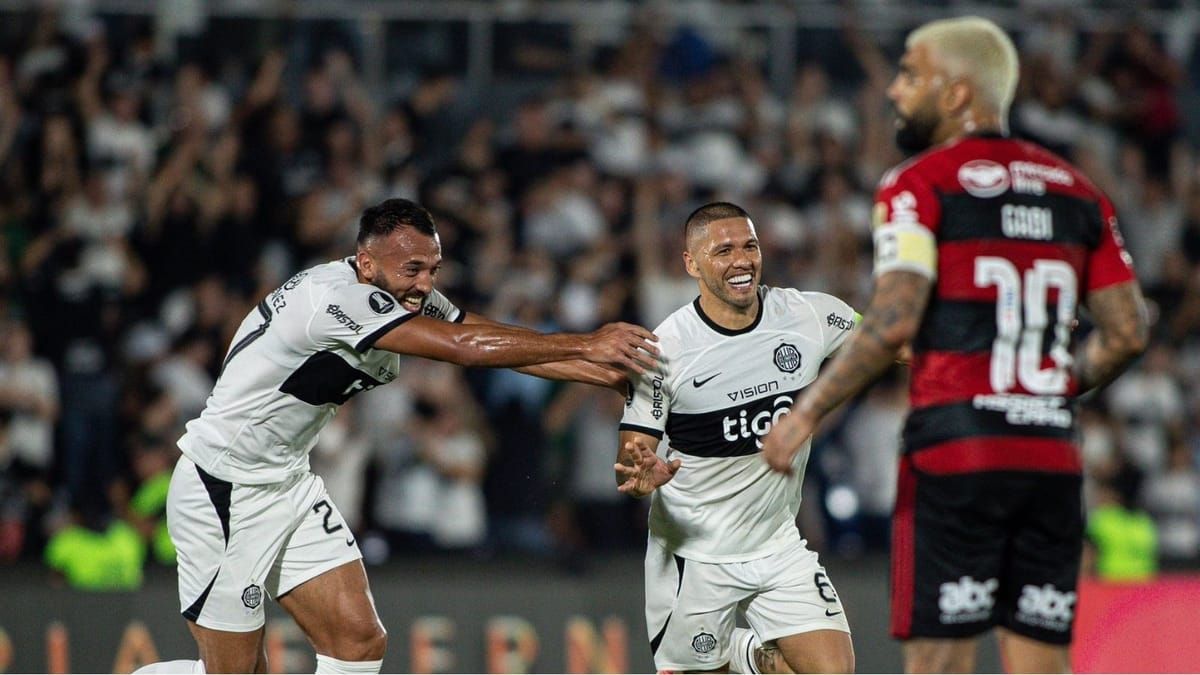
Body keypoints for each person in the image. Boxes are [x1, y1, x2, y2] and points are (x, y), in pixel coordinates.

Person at [761, 16, 1149, 674]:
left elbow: (892, 320)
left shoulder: (918, 184)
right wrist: (1048, 389)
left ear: (958, 93)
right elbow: (1129, 331)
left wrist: (804, 415)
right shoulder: (1076, 191)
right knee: (1041, 663)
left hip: (955, 452)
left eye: (911, 74)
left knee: (939, 661)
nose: (892, 90)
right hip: (1049, 456)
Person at [140, 198, 659, 674]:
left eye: (433, 269)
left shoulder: (399, 292)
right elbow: (465, 348)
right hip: (222, 489)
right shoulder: (335, 301)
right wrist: (587, 343)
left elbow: (478, 331)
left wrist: (596, 372)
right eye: (413, 269)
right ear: (367, 264)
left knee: (359, 642)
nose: (425, 285)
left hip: (286, 482)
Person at [615, 201, 857, 674]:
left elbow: (888, 341)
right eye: (723, 250)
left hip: (777, 543)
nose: (741, 260)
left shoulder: (807, 315)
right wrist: (644, 471)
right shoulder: (668, 351)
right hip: (695, 556)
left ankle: (747, 653)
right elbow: (634, 445)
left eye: (750, 246)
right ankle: (746, 654)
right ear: (691, 263)